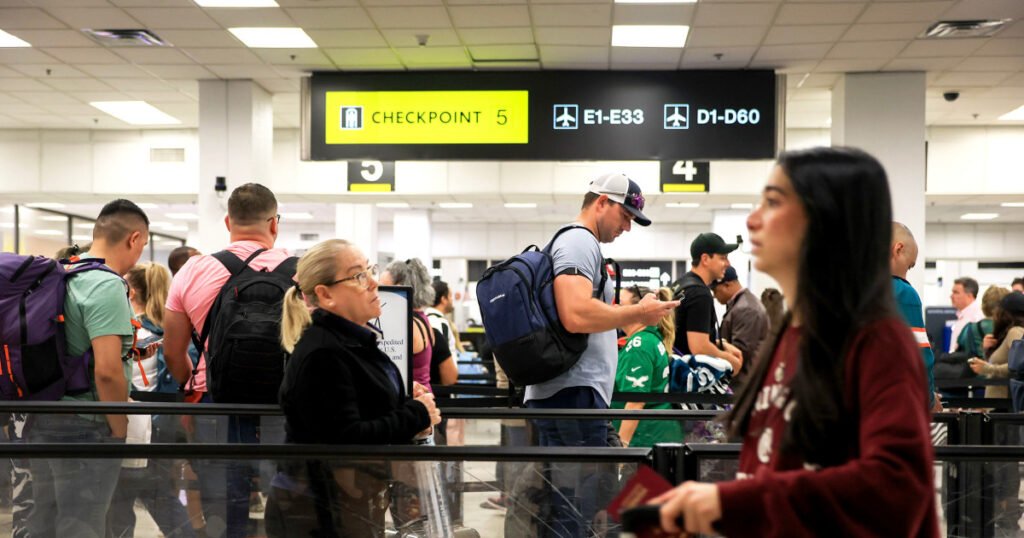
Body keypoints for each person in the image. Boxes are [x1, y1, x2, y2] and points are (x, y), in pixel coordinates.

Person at [652, 147, 937, 536]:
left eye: (772, 203)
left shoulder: (875, 337)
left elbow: (897, 487)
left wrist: (731, 502)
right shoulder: (791, 334)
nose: (753, 219)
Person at [525, 172, 678, 538]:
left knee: (569, 503)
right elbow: (576, 314)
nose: (627, 227)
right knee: (574, 506)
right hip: (572, 396)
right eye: (624, 216)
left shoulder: (580, 243)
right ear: (602, 202)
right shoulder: (579, 241)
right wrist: (638, 313)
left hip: (572, 394)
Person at [269, 239, 440, 537]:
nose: (373, 283)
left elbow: (359, 407)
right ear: (326, 295)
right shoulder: (324, 353)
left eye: (369, 270)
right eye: (358, 275)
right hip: (317, 513)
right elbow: (346, 440)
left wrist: (402, 400)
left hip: (343, 504)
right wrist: (415, 414)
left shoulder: (349, 343)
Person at [162, 183, 293, 538]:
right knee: (286, 503)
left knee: (223, 508)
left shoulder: (194, 270)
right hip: (283, 405)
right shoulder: (303, 273)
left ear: (227, 221)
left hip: (216, 403)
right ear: (274, 223)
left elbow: (172, 351)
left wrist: (194, 384)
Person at [27, 199, 157, 538]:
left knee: (44, 524)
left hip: (43, 417)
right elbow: (107, 371)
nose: (139, 254)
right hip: (87, 425)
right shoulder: (106, 284)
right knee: (82, 525)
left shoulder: (62, 272)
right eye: (142, 245)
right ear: (134, 238)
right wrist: (119, 427)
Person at [108, 262, 196, 538]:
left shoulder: (128, 333)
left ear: (131, 292)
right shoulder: (171, 332)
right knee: (162, 498)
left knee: (121, 502)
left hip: (133, 429)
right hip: (164, 427)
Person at [968, 291, 1024, 533]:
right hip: (1000, 407)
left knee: (1005, 465)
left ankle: (1007, 514)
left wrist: (988, 367)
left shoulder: (1016, 332)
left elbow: (1017, 367)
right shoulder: (1009, 333)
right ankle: (1004, 513)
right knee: (1002, 464)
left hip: (1005, 409)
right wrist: (988, 351)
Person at [611, 286, 683, 448]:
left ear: (640, 309)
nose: (614, 307)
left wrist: (622, 447)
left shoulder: (639, 346)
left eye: (620, 303)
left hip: (643, 438)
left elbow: (635, 401)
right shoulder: (649, 339)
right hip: (655, 434)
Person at [672, 233, 743, 374]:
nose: (728, 263)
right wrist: (730, 362)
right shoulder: (699, 293)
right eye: (723, 258)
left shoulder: (681, 284)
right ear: (705, 259)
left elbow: (684, 334)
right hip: (688, 378)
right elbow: (699, 347)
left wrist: (719, 343)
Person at [889, 222, 940, 412]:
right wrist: (929, 400)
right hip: (891, 403)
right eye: (909, 266)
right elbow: (919, 357)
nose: (907, 274)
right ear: (898, 249)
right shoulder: (902, 292)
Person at [711, 266, 769, 384]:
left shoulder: (746, 309)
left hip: (743, 382)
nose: (714, 296)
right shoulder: (741, 305)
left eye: (715, 290)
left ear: (727, 285)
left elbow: (740, 352)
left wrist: (713, 345)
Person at [950, 276, 983, 352]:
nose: (951, 296)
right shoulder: (962, 315)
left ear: (969, 296)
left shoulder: (977, 318)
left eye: (956, 292)